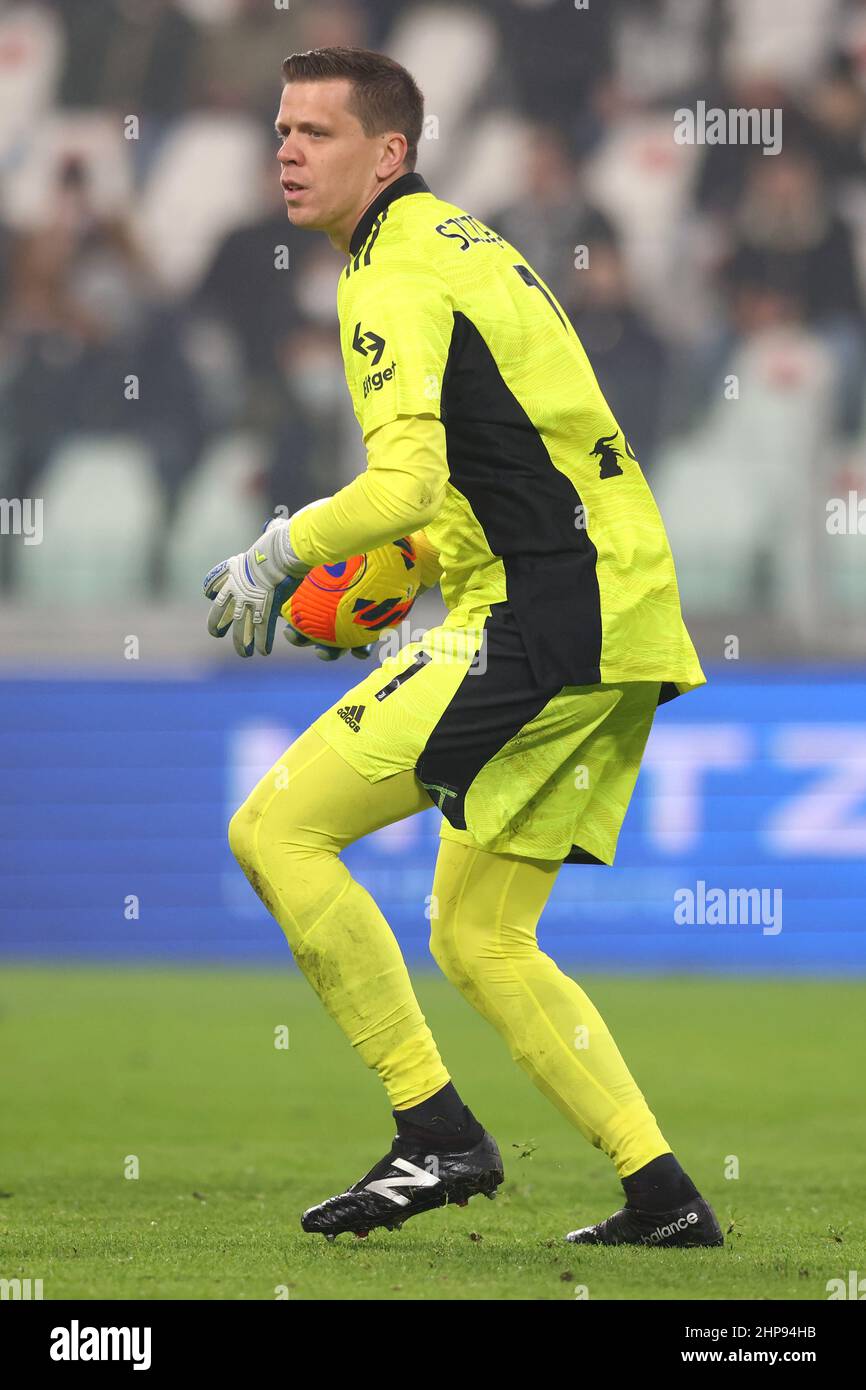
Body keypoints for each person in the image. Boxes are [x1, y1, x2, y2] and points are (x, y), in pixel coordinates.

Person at [203, 46, 723, 1249]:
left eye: (316, 133)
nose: (285, 149)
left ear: (388, 153)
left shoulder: (388, 271)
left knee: (275, 829)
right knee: (480, 936)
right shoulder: (461, 243)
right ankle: (664, 1198)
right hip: (619, 608)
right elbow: (500, 456)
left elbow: (404, 479)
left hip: (542, 616)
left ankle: (434, 1133)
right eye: (280, 128)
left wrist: (281, 552)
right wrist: (412, 569)